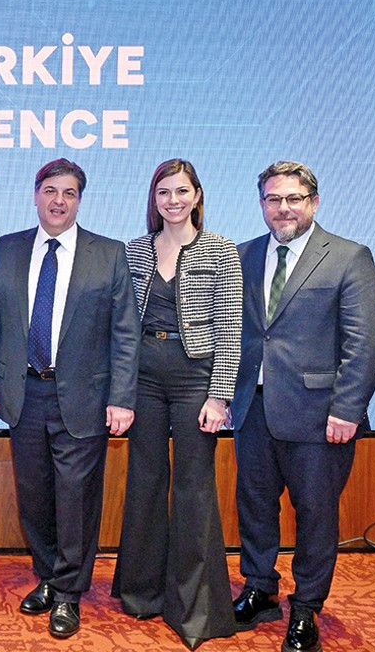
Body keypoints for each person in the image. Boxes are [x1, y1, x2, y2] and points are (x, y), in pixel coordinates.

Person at [228, 161, 375, 652]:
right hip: (253, 409)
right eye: (273, 199)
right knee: (254, 505)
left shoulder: (348, 257)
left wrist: (348, 409)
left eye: (293, 199)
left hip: (320, 416)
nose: (283, 208)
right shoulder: (242, 255)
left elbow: (365, 342)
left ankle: (306, 608)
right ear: (262, 204)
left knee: (315, 514)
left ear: (313, 202)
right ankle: (260, 588)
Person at [0, 158, 139, 640]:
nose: (58, 201)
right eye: (50, 191)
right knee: (34, 497)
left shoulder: (108, 253)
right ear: (36, 195)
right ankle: (48, 575)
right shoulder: (9, 248)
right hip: (23, 392)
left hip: (84, 398)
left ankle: (69, 591)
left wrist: (122, 398)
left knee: (76, 499)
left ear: (80, 201)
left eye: (69, 193)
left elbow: (125, 333)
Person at [110, 159, 242, 649]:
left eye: (182, 191)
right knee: (145, 482)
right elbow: (121, 326)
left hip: (194, 379)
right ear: (154, 198)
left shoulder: (221, 250)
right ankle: (142, 593)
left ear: (197, 196)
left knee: (193, 488)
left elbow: (231, 327)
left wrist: (219, 396)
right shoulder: (135, 249)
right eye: (164, 192)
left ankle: (194, 608)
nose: (173, 200)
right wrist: (120, 390)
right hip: (143, 377)